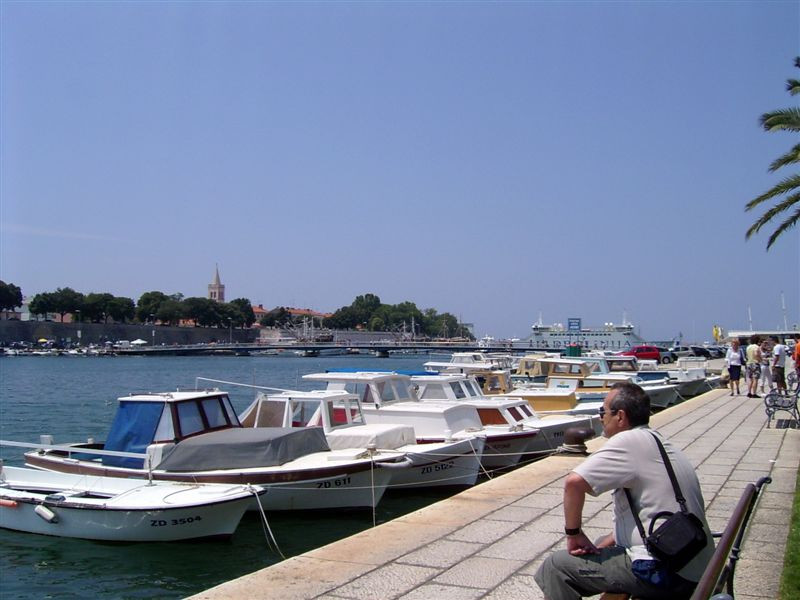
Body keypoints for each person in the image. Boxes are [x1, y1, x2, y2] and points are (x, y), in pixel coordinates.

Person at [534, 382, 714, 600]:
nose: (601, 417)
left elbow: (574, 483)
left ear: (620, 416)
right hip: (693, 560)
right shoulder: (656, 440)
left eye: (603, 411)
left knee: (556, 567)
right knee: (603, 542)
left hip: (666, 571)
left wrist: (574, 534)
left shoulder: (627, 441)